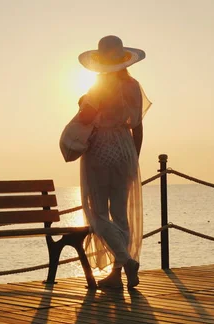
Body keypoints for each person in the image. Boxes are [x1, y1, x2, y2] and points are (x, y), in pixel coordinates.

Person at [76, 35, 151, 289]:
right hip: (125, 147)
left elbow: (86, 118)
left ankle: (124, 260)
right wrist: (134, 157)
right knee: (120, 212)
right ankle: (118, 274)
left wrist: (81, 103)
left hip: (100, 149)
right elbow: (138, 126)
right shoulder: (133, 86)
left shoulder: (99, 86)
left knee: (96, 211)